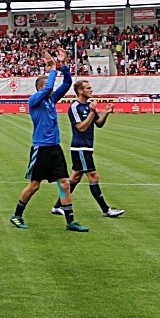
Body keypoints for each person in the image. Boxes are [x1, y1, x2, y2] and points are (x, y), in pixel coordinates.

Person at [9, 49, 87, 231]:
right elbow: (49, 87)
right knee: (34, 186)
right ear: (40, 89)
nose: (52, 90)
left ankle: (70, 221)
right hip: (41, 148)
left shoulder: (51, 101)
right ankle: (17, 215)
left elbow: (67, 83)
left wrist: (63, 65)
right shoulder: (34, 100)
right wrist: (52, 69)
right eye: (47, 87)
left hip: (55, 148)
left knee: (64, 184)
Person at [52, 79, 123, 218]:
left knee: (75, 178)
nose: (91, 90)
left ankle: (57, 206)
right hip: (80, 148)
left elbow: (99, 124)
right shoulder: (75, 107)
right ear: (80, 91)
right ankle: (106, 209)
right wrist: (92, 112)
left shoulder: (89, 106)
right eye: (88, 88)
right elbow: (81, 127)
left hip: (87, 147)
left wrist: (106, 113)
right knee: (93, 176)